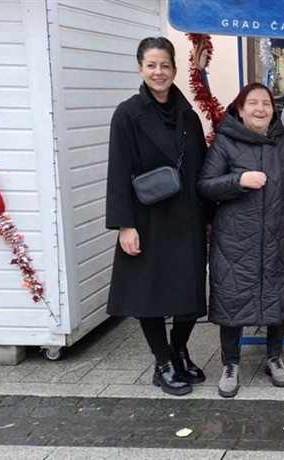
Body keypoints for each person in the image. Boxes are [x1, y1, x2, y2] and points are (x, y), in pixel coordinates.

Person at [105, 37, 210, 397]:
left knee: (190, 292)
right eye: (151, 65)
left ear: (175, 69)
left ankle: (179, 349)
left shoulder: (188, 116)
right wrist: (125, 225)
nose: (158, 72)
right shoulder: (127, 114)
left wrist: (209, 216)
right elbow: (118, 171)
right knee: (147, 293)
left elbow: (201, 169)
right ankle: (162, 361)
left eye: (165, 65)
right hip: (147, 218)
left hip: (188, 217)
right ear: (140, 69)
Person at [199, 83, 284, 397]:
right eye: (252, 103)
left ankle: (274, 357)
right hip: (235, 238)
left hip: (279, 233)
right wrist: (239, 180)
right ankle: (230, 363)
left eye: (266, 103)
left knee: (279, 294)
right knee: (233, 297)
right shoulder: (225, 141)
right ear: (240, 109)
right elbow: (206, 185)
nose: (260, 109)